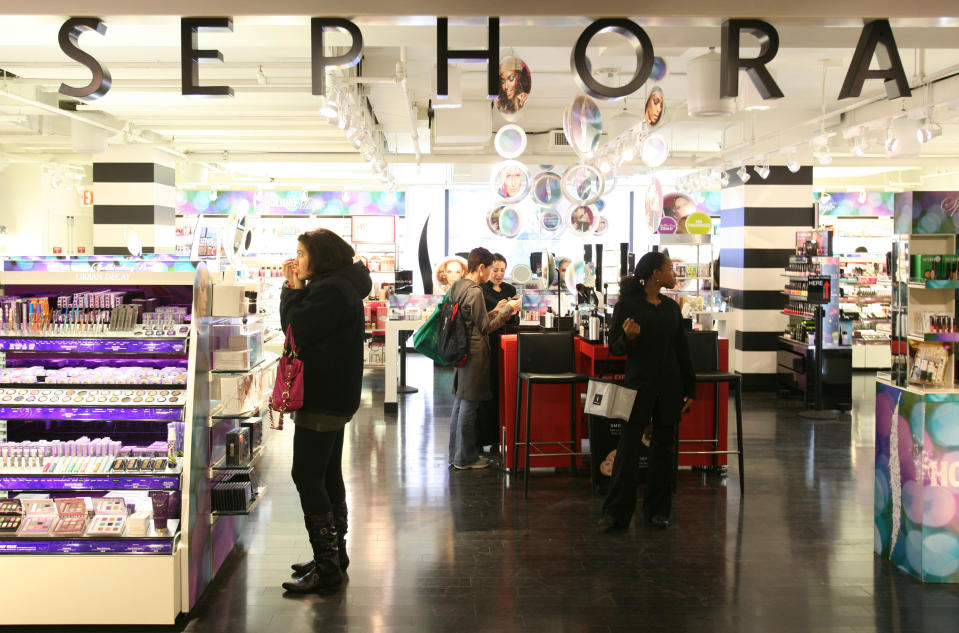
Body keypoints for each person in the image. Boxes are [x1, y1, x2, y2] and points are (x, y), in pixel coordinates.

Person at [278, 229, 372, 593]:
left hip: (322, 396)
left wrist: (292, 290)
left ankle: (328, 566)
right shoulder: (340, 284)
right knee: (327, 472)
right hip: (334, 393)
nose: (297, 260)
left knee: (306, 474)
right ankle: (333, 556)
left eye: (301, 253)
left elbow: (294, 331)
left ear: (321, 256)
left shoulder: (331, 290)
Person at [597, 251, 695, 532]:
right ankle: (616, 514)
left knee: (663, 451)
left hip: (670, 388)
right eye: (669, 269)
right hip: (638, 386)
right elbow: (615, 347)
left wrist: (690, 389)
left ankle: (658, 512)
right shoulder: (627, 305)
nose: (673, 274)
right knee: (627, 451)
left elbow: (682, 352)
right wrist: (627, 338)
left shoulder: (671, 308)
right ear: (655, 274)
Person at [448, 248, 521, 469]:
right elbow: (486, 328)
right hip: (475, 352)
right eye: (491, 269)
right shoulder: (476, 291)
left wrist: (494, 311)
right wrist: (507, 309)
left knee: (460, 404)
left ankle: (456, 454)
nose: (493, 274)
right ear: (482, 268)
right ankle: (465, 458)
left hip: (460, 351)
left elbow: (474, 319)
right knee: (469, 405)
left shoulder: (458, 286)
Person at [478, 254, 520, 454]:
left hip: (507, 343)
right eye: (495, 269)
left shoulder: (510, 290)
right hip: (488, 344)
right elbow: (482, 322)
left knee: (505, 389)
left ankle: (500, 438)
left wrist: (513, 309)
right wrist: (497, 310)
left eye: (502, 270)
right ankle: (484, 438)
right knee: (488, 391)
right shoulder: (481, 290)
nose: (499, 274)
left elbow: (514, 320)